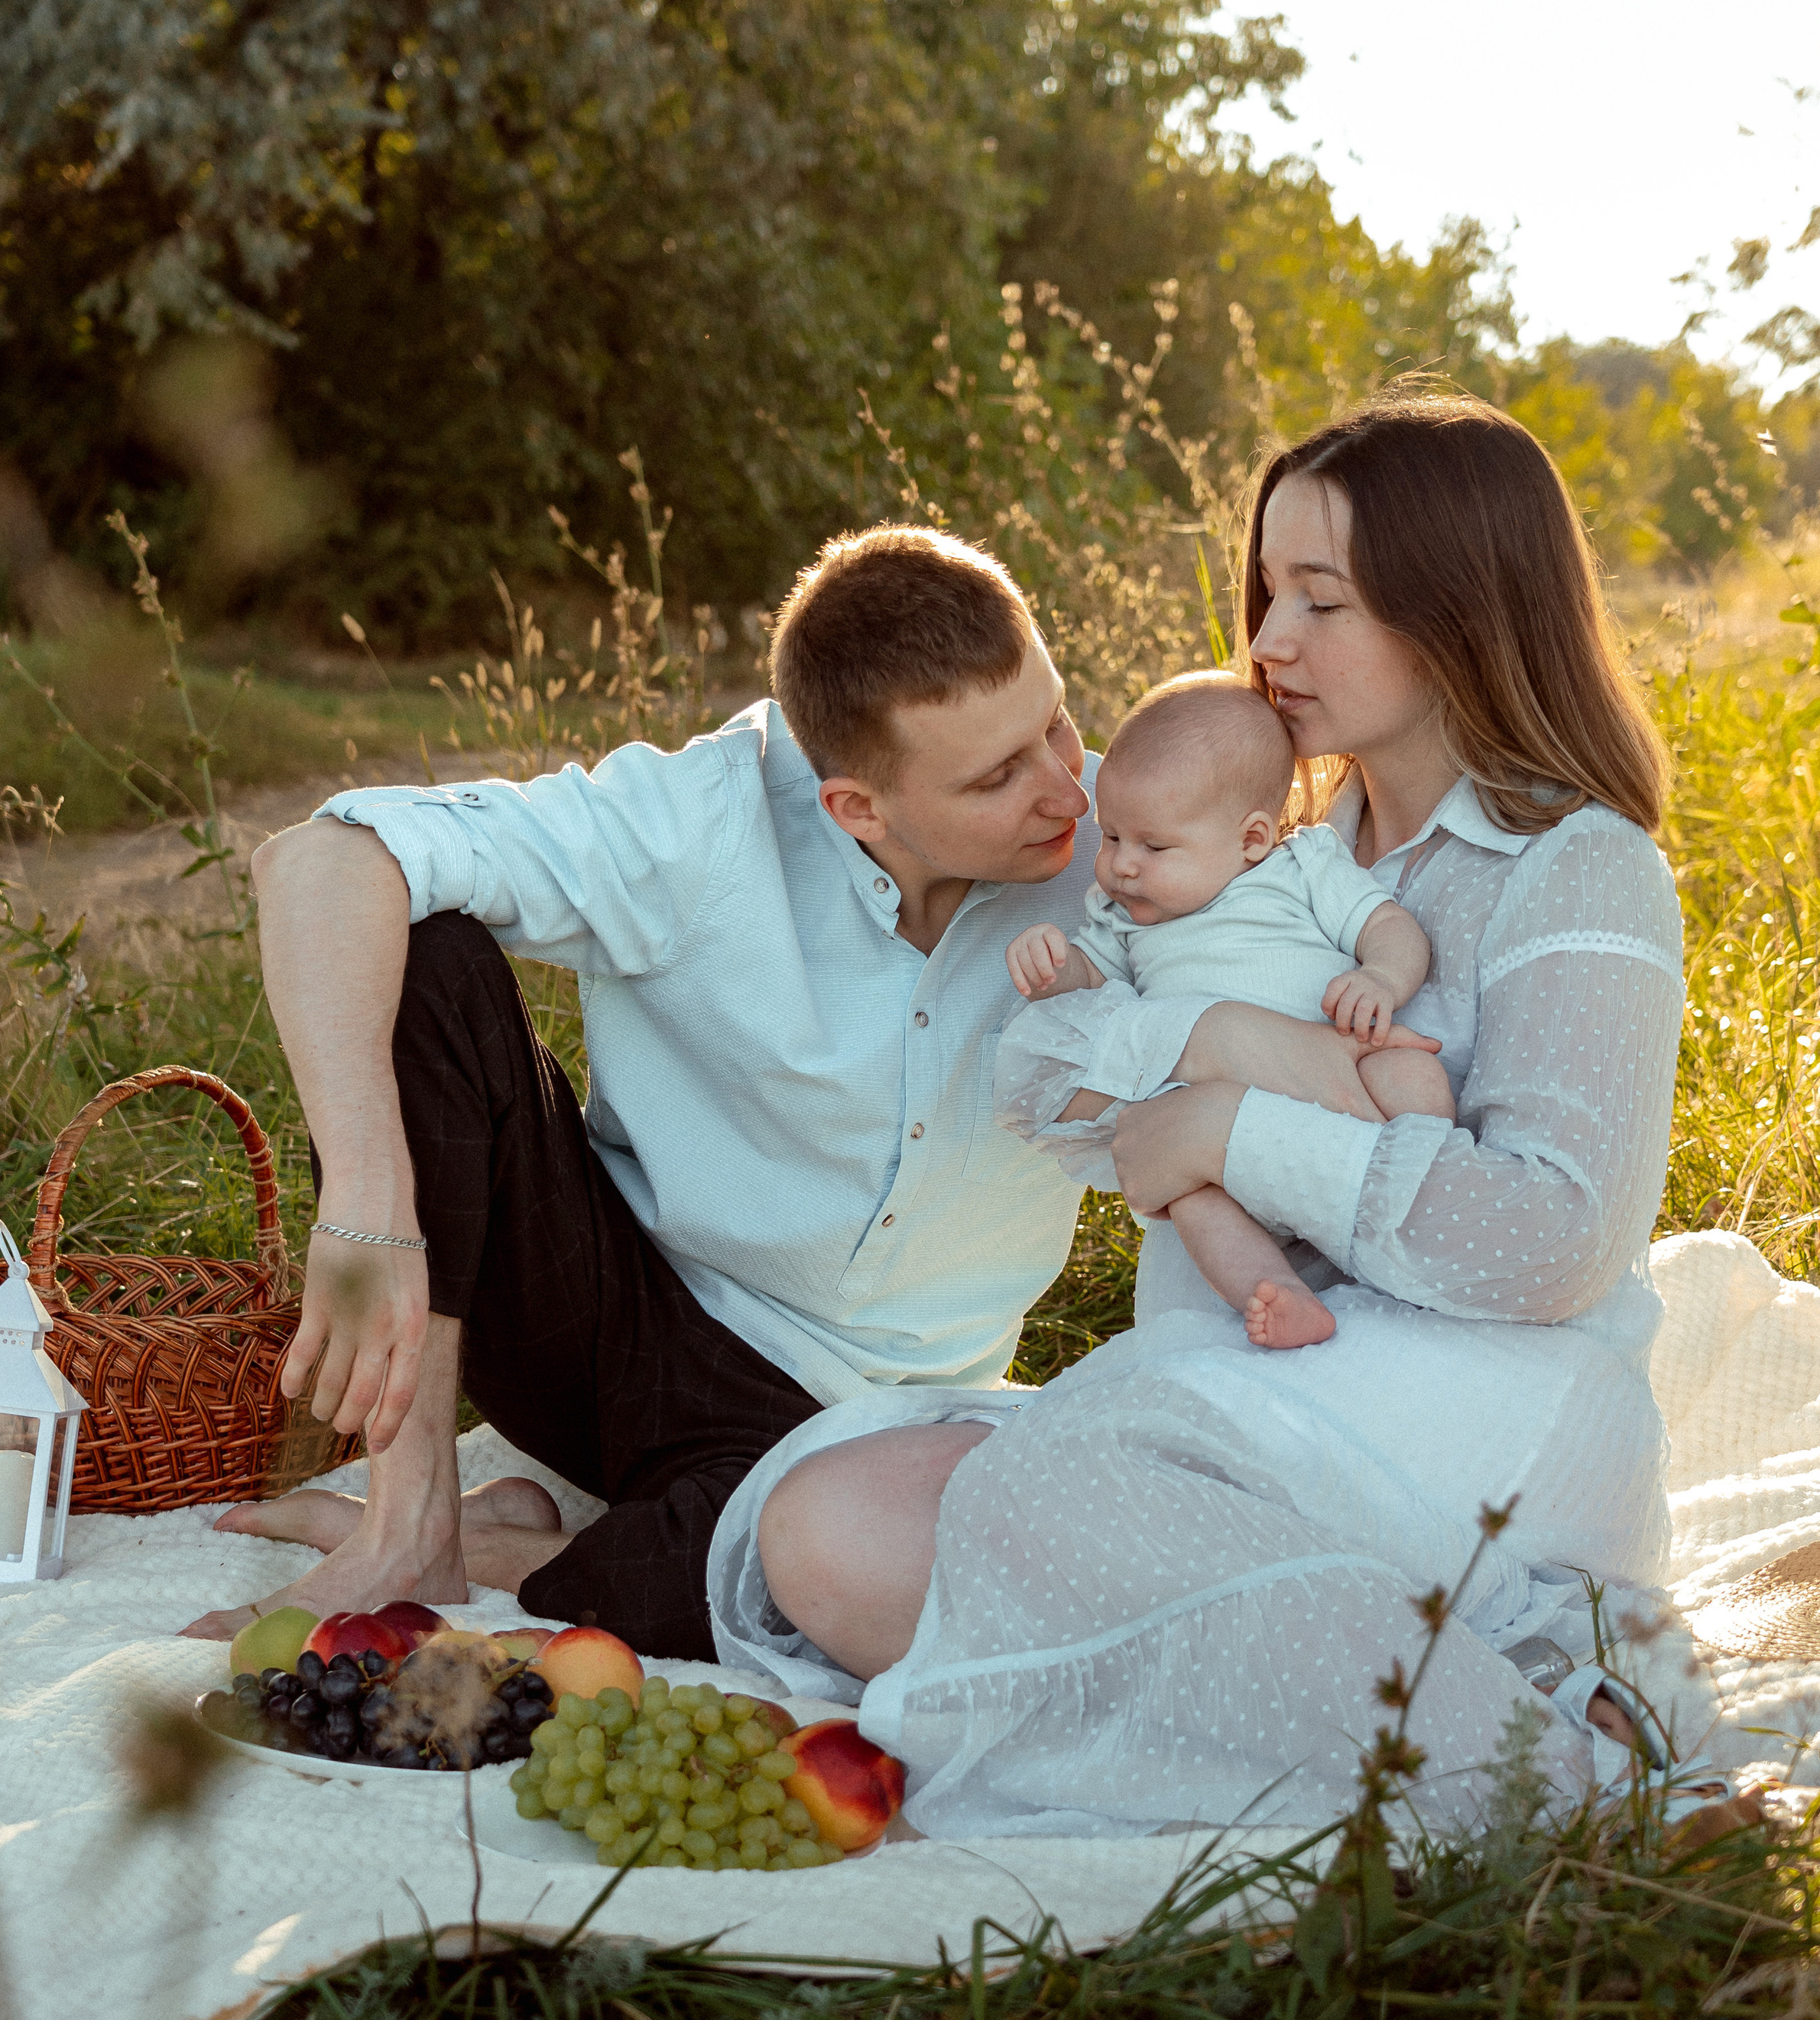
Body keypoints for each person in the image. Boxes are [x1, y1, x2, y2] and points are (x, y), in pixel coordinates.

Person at [712, 386, 1685, 1838]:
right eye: (1265, 592)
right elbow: (1050, 1090)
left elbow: (1549, 1241)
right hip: (1258, 1382)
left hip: (1487, 1409)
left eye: (1324, 600)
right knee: (829, 1530)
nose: (1269, 640)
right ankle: (1482, 1667)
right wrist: (1220, 1039)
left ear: (1463, 612)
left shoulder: (1575, 868)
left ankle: (1562, 1778)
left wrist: (1229, 1127)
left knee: (1025, 1523)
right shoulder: (1257, 836)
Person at [180, 525, 1103, 1654]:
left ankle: (520, 1549)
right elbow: (321, 856)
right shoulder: (705, 820)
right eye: (999, 775)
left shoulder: (1133, 846)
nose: (1067, 786)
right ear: (857, 807)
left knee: (786, 1608)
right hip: (613, 1321)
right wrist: (367, 1201)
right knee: (425, 952)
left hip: (862, 1428)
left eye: (1055, 720)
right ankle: (412, 1519)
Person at [1003, 669, 1447, 1350]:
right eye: (1113, 836)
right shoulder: (1124, 916)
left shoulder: (1301, 869)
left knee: (1415, 1079)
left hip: (1340, 1081)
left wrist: (1383, 979)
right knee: (1193, 1198)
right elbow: (1093, 986)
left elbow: (1389, 928)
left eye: (1153, 846)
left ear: (1252, 839)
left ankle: (1426, 1229)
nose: (1121, 865)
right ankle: (1282, 1297)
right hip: (1217, 1133)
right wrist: (1054, 964)